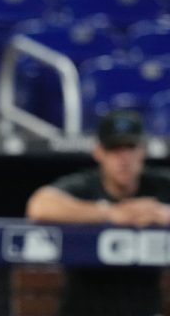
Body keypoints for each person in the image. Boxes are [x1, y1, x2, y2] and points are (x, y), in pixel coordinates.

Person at [26, 109, 170, 316]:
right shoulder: (86, 185)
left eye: (130, 148)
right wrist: (111, 213)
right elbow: (39, 205)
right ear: (99, 152)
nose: (123, 158)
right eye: (114, 149)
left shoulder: (158, 185)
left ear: (143, 151)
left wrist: (164, 213)